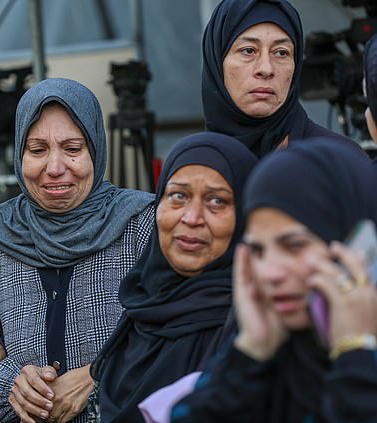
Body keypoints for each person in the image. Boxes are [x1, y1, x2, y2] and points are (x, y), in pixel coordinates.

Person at [0, 78, 155, 423]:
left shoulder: (141, 225)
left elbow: (177, 339)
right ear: (19, 154)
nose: (55, 168)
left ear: (96, 150)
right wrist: (13, 384)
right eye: (38, 150)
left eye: (73, 149)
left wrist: (98, 376)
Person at [170, 139, 377, 423]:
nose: (269, 273)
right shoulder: (266, 358)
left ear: (357, 247)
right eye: (258, 251)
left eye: (294, 246)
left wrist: (356, 357)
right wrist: (251, 352)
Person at [90, 132, 258, 422]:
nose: (192, 217)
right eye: (178, 196)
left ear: (245, 216)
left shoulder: (251, 328)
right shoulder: (141, 306)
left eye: (217, 201)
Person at [202, 0, 354, 157]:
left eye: (281, 53)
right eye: (248, 50)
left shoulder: (339, 160)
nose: (266, 69)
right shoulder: (191, 169)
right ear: (216, 63)